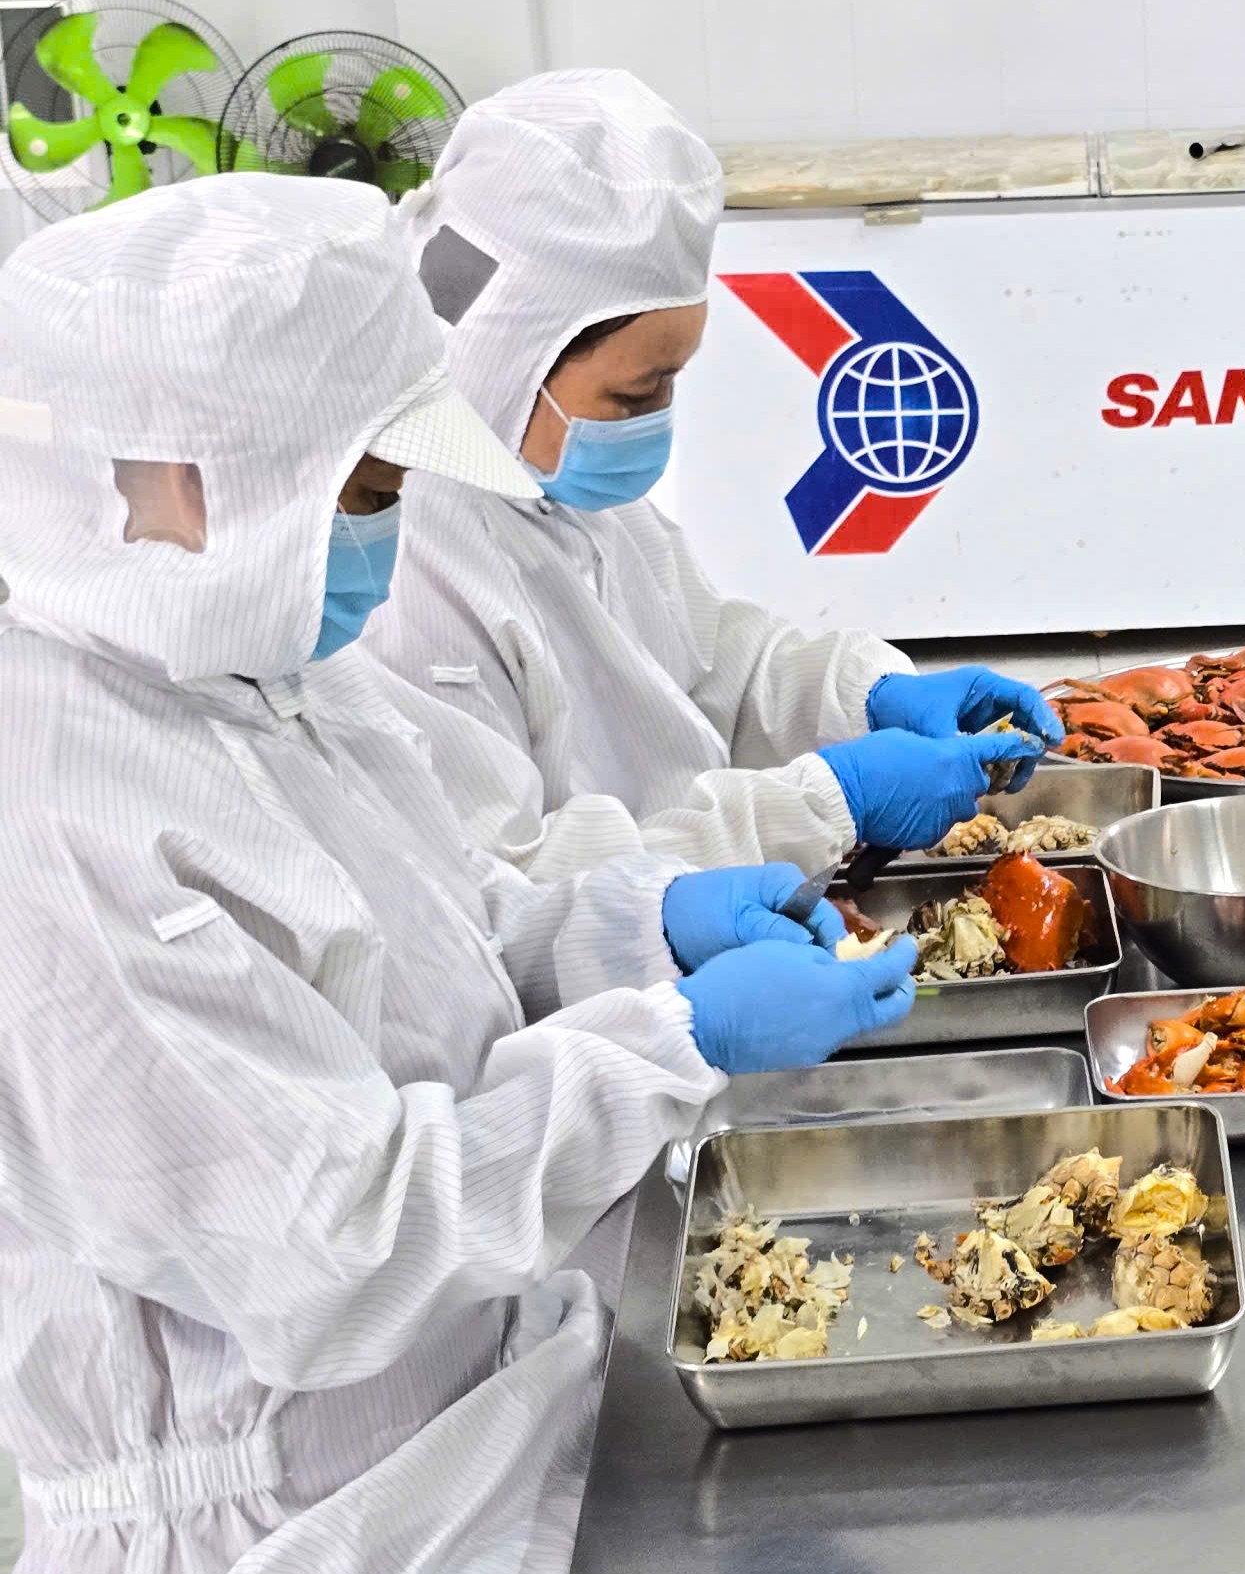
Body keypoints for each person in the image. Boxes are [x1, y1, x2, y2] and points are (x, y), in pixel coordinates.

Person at [0, 175, 921, 1572]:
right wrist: (674, 1039)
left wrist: (648, 926)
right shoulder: (63, 808)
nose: (390, 529)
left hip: (480, 1409)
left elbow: (438, 930)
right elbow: (332, 1250)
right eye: (369, 492)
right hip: (299, 1516)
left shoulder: (262, 670)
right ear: (186, 483)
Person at [363, 68, 1058, 876]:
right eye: (636, 392)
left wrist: (864, 695)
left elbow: (710, 666)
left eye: (673, 379)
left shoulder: (553, 473)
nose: (657, 416)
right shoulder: (404, 565)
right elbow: (516, 887)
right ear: (507, 360)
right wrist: (824, 802)